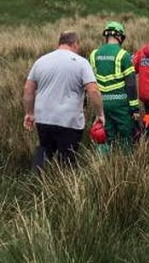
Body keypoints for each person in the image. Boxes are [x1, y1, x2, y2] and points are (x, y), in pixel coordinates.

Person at [23, 31, 104, 170]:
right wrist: (100, 113)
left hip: (44, 118)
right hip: (69, 121)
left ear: (59, 43)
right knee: (68, 158)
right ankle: (65, 187)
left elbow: (28, 88)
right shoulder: (81, 63)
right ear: (75, 44)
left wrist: (29, 113)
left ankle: (35, 182)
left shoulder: (41, 61)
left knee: (44, 149)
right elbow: (93, 90)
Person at [89, 21, 140, 150]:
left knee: (104, 136)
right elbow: (131, 84)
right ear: (120, 37)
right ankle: (124, 163)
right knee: (126, 136)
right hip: (120, 104)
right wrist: (134, 108)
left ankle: (103, 164)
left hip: (102, 103)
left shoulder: (94, 54)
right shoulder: (124, 55)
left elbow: (91, 81)